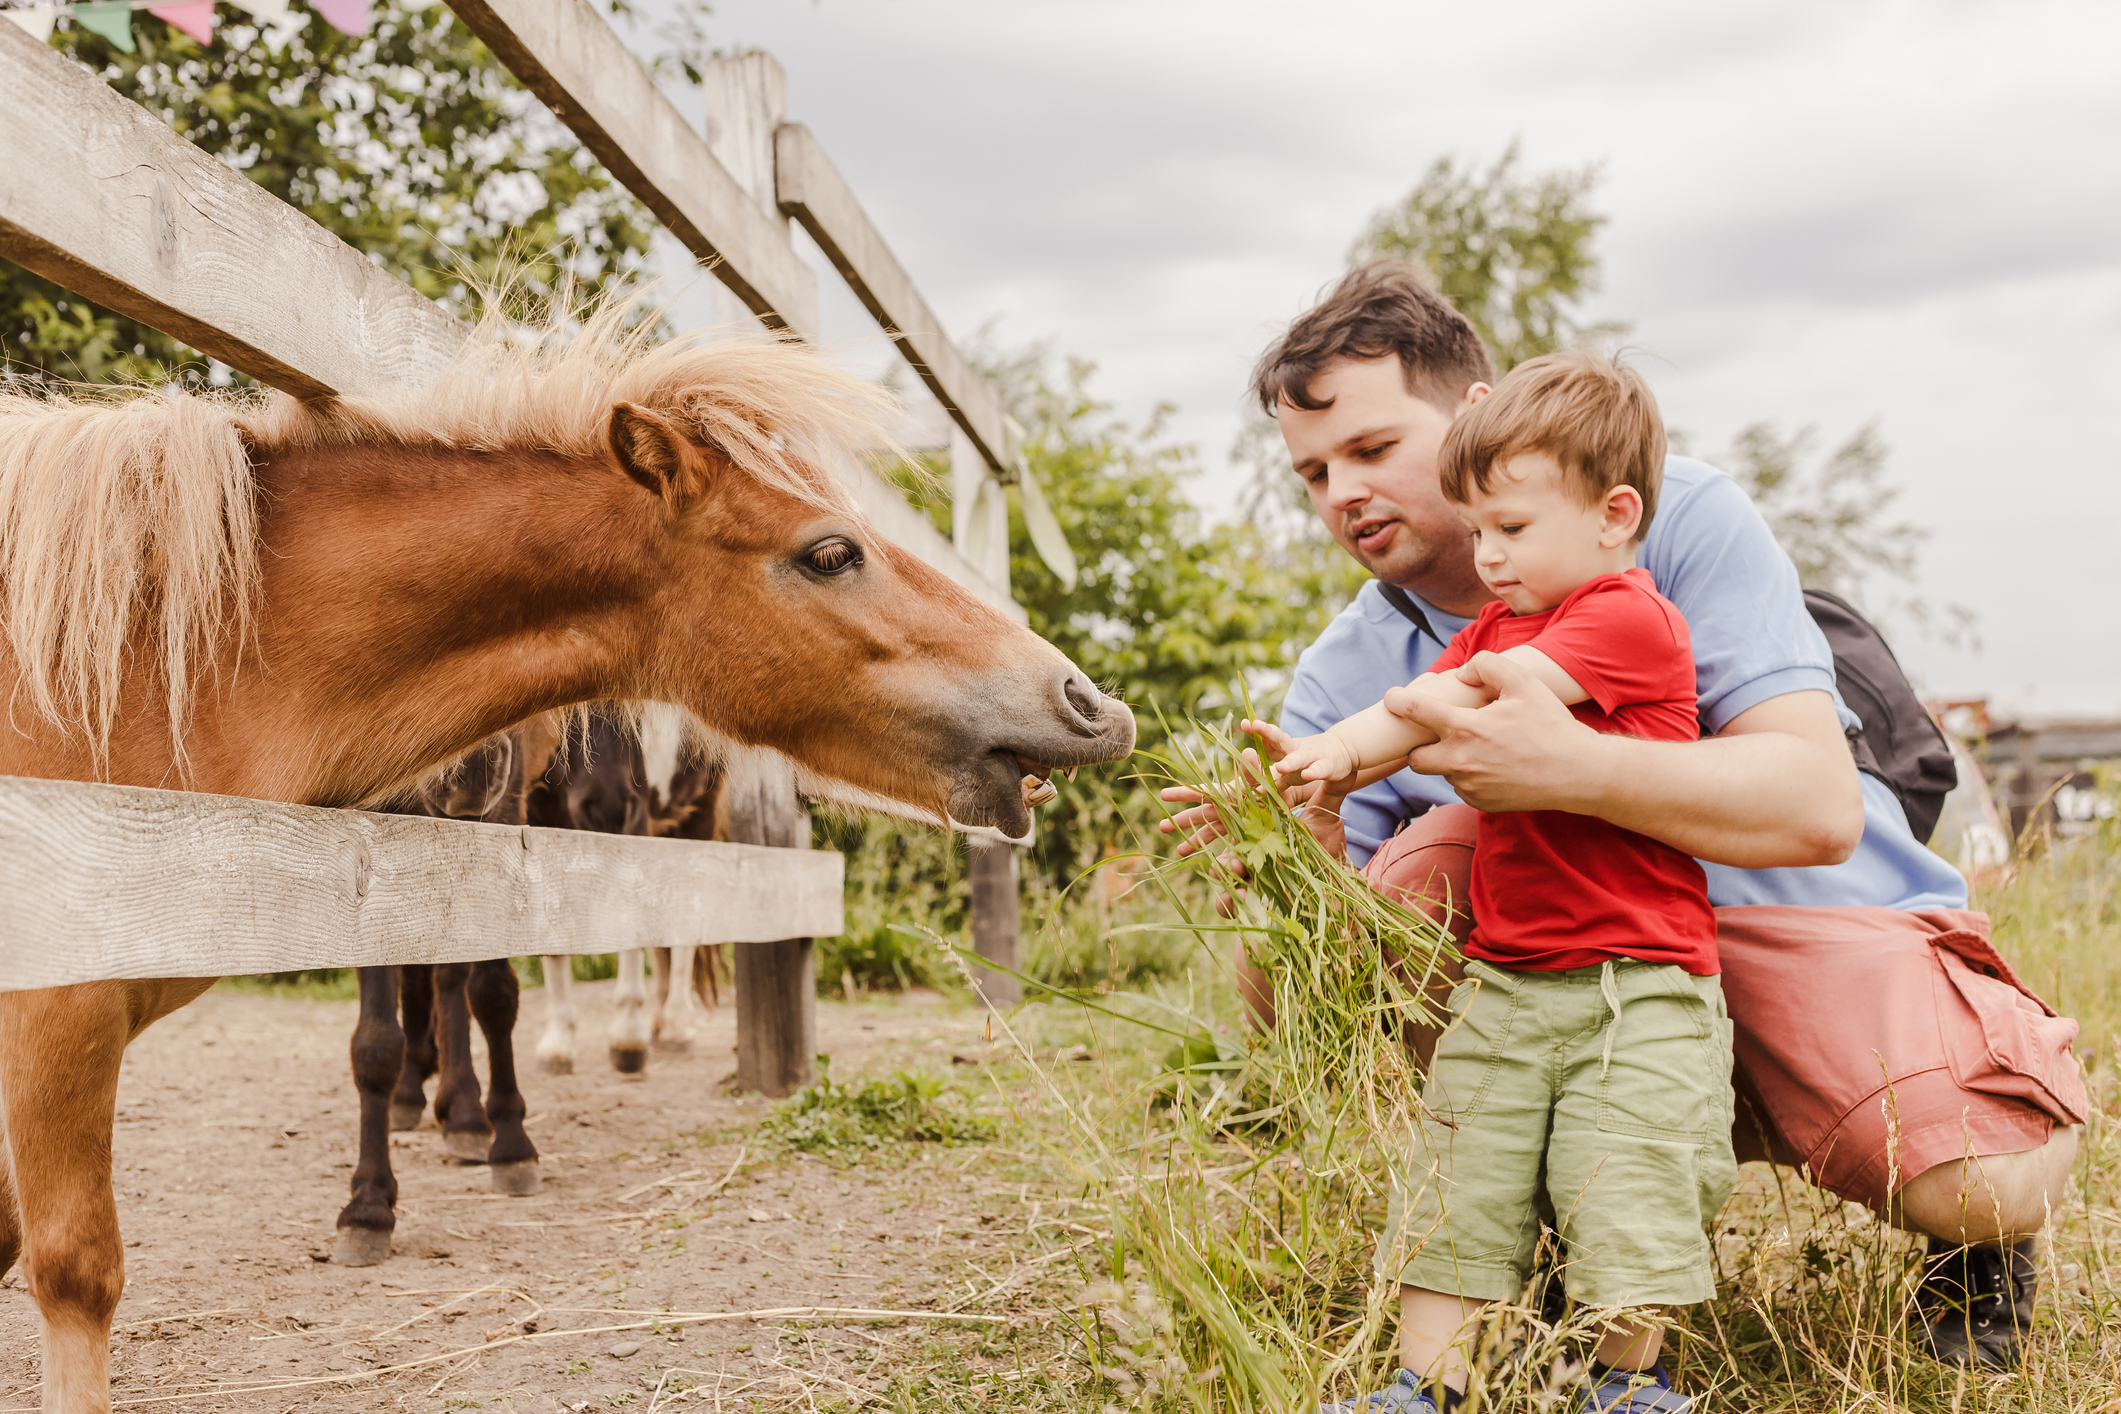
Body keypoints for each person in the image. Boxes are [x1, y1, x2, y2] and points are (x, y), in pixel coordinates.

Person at [1160, 260, 2087, 1391]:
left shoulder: (1666, 517)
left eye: (1369, 448)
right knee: (1420, 874)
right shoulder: (1343, 672)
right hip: (1568, 979)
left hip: (1800, 920)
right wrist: (1290, 860)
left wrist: (1583, 768)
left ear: (1474, 416)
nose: (1339, 493)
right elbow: (1308, 1015)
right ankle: (1560, 1232)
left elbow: (1816, 807)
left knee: (1978, 1184)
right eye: (1311, 472)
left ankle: (1977, 1237)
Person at [1252, 350, 1731, 1414]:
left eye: (1513, 529)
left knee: (1626, 1183)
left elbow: (1464, 700)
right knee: (1457, 1179)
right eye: (1478, 531)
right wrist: (1323, 759)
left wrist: (1400, 730)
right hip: (1509, 979)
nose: (1490, 555)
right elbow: (1413, 702)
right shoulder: (1499, 624)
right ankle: (1426, 1383)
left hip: (1636, 981)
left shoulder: (1625, 617)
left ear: (1613, 515)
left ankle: (1630, 1381)